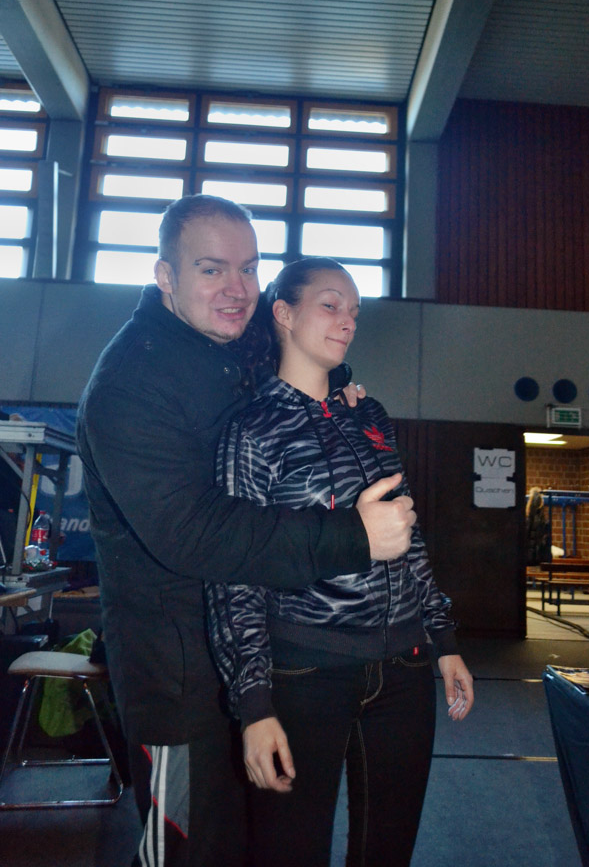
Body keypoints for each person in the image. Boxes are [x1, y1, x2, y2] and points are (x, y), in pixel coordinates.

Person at [76, 195, 416, 867]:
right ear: (165, 276)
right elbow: (192, 532)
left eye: (249, 269)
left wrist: (335, 393)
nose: (237, 290)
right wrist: (352, 537)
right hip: (179, 681)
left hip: (257, 662)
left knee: (259, 846)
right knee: (190, 849)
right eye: (211, 270)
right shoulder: (128, 384)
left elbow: (296, 371)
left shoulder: (238, 342)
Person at [206, 257, 474, 867]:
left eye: (354, 311)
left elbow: (407, 534)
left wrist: (443, 639)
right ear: (283, 313)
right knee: (289, 850)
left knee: (388, 849)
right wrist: (254, 702)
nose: (348, 321)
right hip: (306, 672)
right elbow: (234, 572)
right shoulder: (250, 430)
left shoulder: (368, 415)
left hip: (404, 668)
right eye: (330, 305)